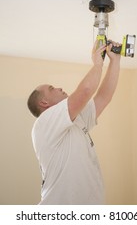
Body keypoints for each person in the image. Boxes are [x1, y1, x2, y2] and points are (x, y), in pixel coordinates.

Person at [27, 40, 121, 205]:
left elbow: (103, 97)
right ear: (43, 103)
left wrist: (115, 61)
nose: (59, 88)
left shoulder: (75, 120)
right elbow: (85, 91)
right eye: (52, 89)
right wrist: (97, 63)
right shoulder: (44, 123)